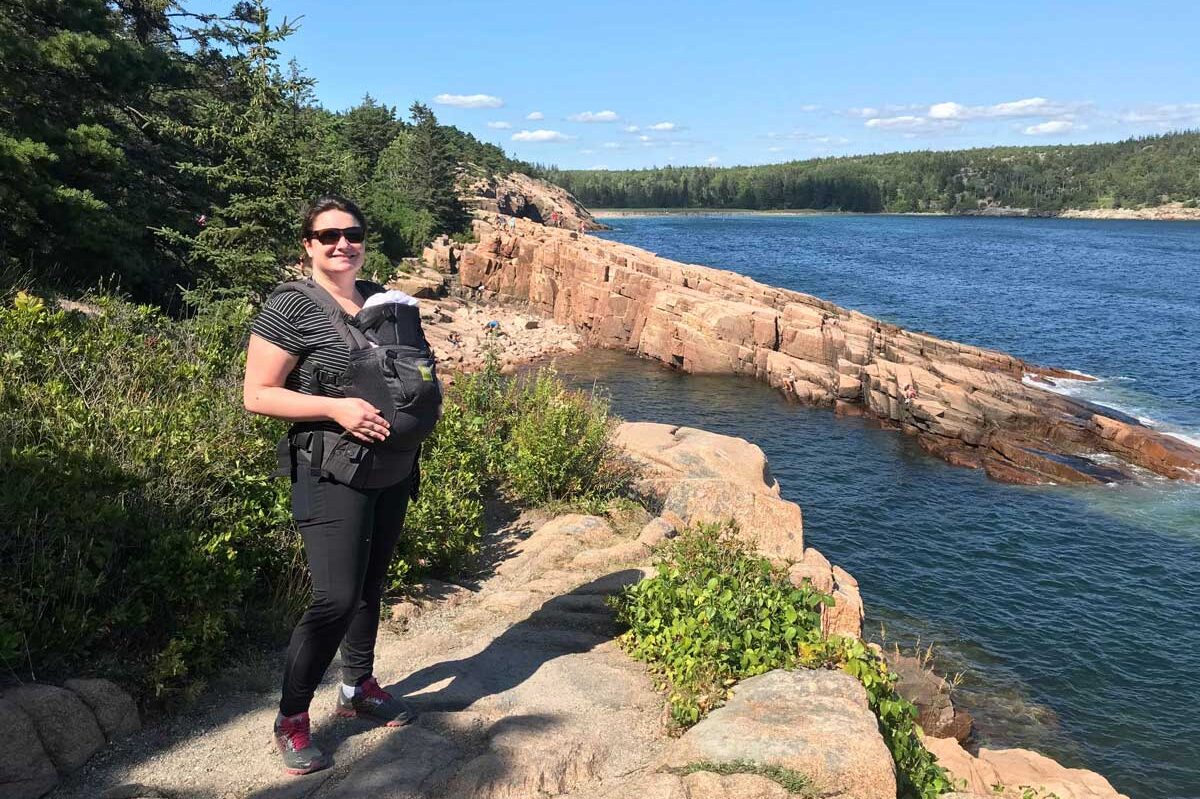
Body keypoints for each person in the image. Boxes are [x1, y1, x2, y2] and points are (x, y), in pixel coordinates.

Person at [243, 195, 417, 776]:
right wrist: (336, 408)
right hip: (329, 468)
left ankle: (357, 687)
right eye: (329, 235)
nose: (343, 243)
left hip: (391, 465)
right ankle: (292, 717)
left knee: (372, 584)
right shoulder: (289, 305)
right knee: (335, 597)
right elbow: (258, 394)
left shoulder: (377, 299)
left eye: (353, 233)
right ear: (309, 246)